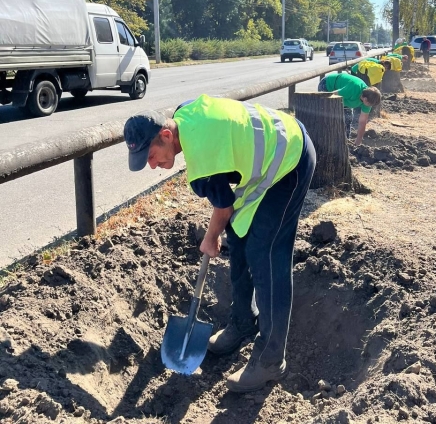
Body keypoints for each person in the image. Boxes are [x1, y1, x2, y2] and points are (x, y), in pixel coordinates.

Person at [124, 95, 316, 393]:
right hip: (265, 164)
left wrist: (210, 239)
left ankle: (270, 360)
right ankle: (242, 321)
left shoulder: (202, 162)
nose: (152, 166)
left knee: (266, 254)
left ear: (165, 135)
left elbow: (223, 209)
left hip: (289, 160)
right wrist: (220, 234)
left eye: (151, 156)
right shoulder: (183, 113)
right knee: (239, 239)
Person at [318, 72, 381, 144]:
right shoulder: (354, 88)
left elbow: (362, 122)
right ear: (365, 99)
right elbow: (331, 95)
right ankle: (326, 140)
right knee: (330, 117)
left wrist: (358, 140)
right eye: (370, 104)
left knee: (348, 119)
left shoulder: (368, 100)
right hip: (328, 85)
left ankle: (345, 143)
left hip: (345, 98)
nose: (370, 106)